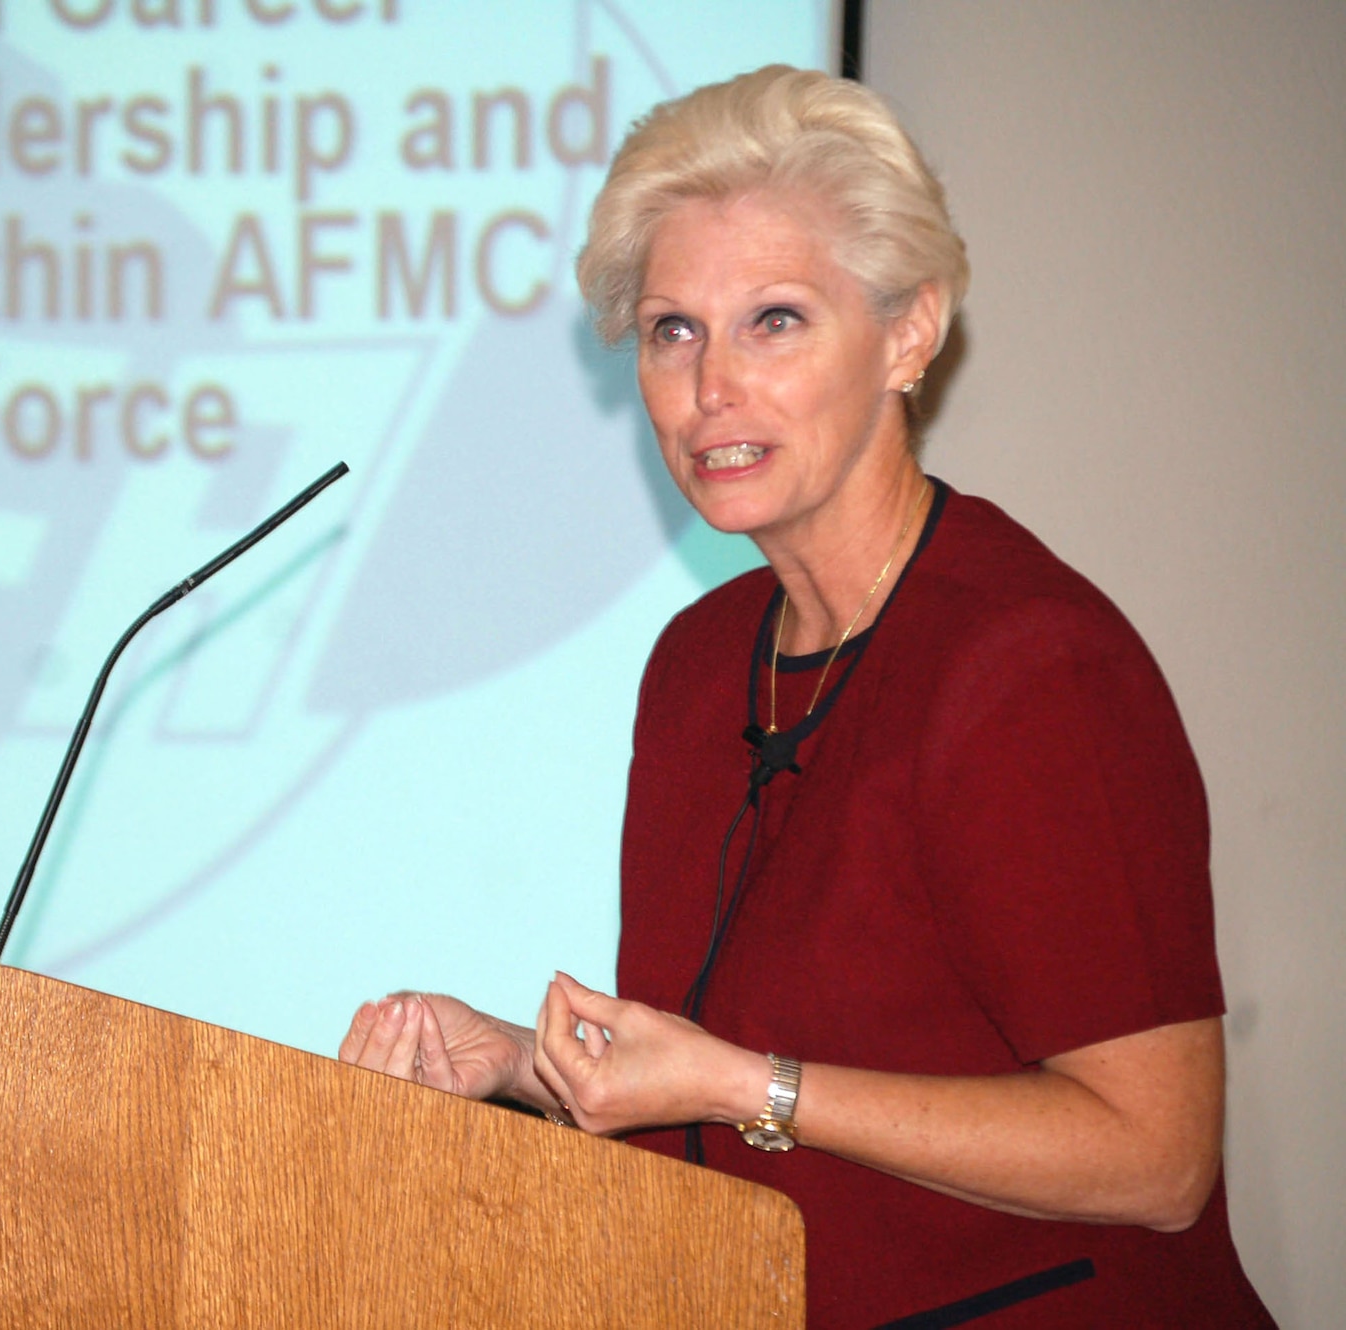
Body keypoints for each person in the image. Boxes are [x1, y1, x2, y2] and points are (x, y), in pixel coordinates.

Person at [338, 66, 1274, 1329]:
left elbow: (1155, 1158)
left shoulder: (1030, 664)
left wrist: (743, 1085)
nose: (709, 386)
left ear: (907, 333)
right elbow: (732, 1104)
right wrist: (517, 1064)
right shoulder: (695, 662)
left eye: (773, 319)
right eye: (673, 329)